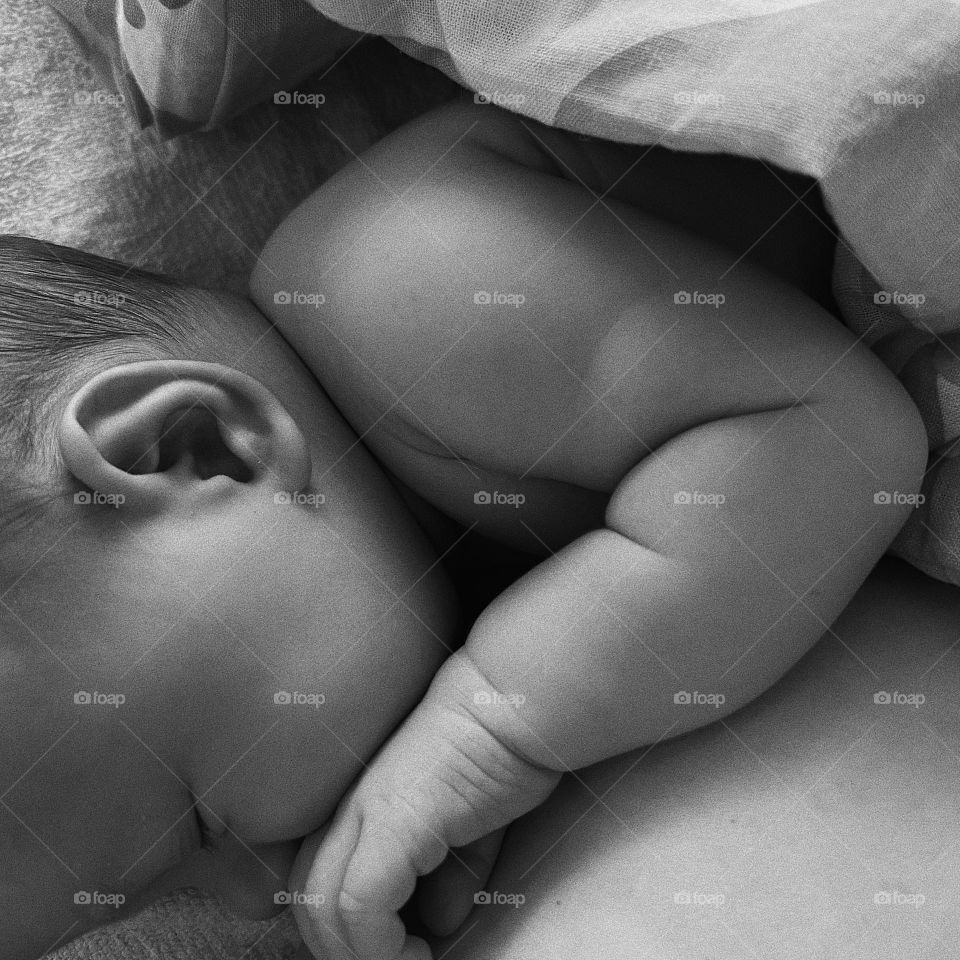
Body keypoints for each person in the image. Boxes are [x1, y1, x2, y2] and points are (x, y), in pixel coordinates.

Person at [0, 97, 923, 959]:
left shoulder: (398, 273)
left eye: (202, 822)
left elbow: (837, 438)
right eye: (174, 901)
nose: (252, 902)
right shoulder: (411, 555)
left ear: (202, 451)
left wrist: (495, 725)